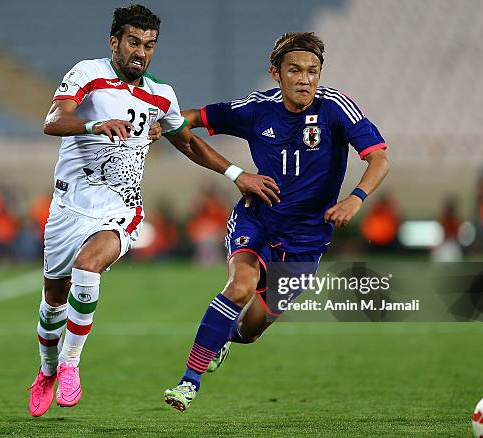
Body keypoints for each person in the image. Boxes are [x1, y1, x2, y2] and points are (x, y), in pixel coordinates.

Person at [29, 4, 279, 417]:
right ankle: (46, 371)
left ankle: (71, 366)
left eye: (149, 45)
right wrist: (95, 126)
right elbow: (54, 119)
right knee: (53, 299)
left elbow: (188, 142)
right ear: (115, 42)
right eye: (133, 42)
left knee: (88, 267)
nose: (140, 52)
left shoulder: (161, 94)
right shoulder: (88, 74)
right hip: (69, 205)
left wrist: (238, 174)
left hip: (119, 208)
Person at [163, 32, 390, 411]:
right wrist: (231, 170)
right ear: (276, 73)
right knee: (239, 286)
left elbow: (380, 158)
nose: (305, 79)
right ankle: (189, 381)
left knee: (251, 330)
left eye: (313, 71)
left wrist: (356, 197)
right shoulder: (256, 109)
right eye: (296, 70)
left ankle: (222, 339)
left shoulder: (335, 108)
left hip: (307, 239)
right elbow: (189, 119)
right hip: (259, 218)